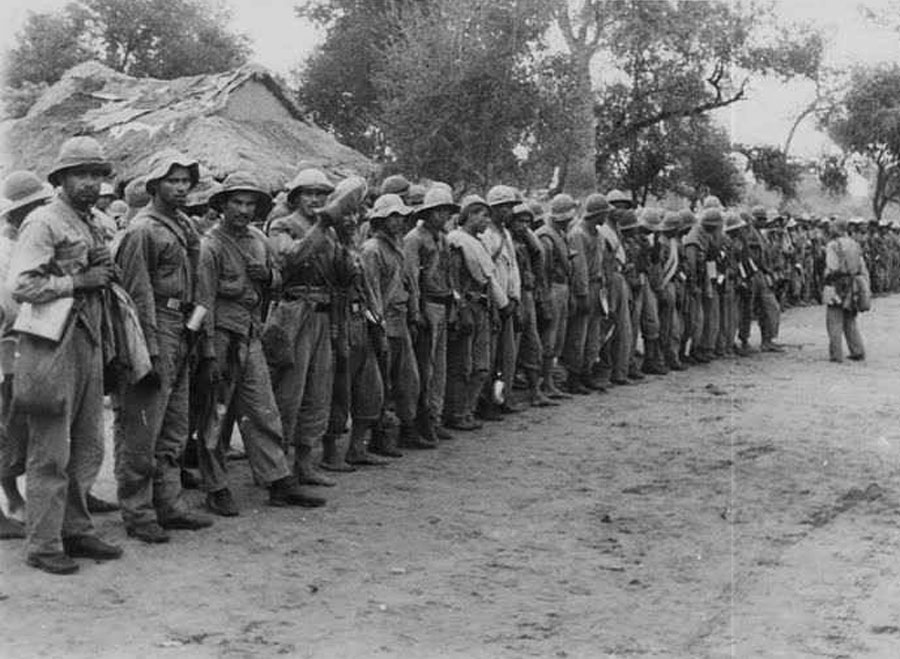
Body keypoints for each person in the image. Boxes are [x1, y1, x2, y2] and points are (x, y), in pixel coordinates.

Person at [9, 137, 122, 574]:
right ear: (61, 179)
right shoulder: (43, 222)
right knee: (50, 448)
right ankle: (43, 543)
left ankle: (76, 528)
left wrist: (97, 274)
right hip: (49, 343)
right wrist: (77, 281)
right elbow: (21, 286)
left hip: (88, 337)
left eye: (96, 174)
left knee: (89, 444)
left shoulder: (89, 220)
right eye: (81, 174)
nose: (91, 183)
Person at [194, 172, 325, 515]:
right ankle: (216, 486)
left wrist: (265, 275)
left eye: (250, 203)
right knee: (216, 415)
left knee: (264, 409)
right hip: (221, 336)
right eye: (236, 202)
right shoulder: (211, 246)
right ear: (222, 206)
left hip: (250, 334)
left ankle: (277, 478)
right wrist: (207, 350)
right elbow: (203, 301)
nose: (243, 209)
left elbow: (279, 277)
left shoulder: (257, 239)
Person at [114, 151, 214, 541]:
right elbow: (137, 294)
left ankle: (169, 504)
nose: (181, 187)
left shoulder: (184, 225)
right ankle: (138, 513)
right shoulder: (143, 230)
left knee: (174, 425)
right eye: (172, 181)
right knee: (141, 425)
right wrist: (149, 349)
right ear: (154, 186)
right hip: (154, 324)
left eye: (186, 181)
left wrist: (196, 330)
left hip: (181, 324)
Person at [266, 169, 361, 487]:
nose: (316, 199)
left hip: (325, 314)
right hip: (294, 312)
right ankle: (279, 467)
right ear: (295, 197)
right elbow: (288, 259)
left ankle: (305, 462)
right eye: (308, 193)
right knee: (289, 392)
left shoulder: (332, 232)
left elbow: (345, 274)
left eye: (322, 194)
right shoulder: (282, 225)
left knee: (319, 391)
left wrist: (347, 241)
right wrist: (322, 226)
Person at [0, 171, 56, 540]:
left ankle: (19, 498)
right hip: (9, 347)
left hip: (25, 345)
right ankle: (8, 502)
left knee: (21, 428)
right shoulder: (6, 251)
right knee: (6, 429)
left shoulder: (28, 244)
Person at [321, 183, 388, 469]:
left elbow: (366, 287)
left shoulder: (355, 245)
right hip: (340, 321)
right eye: (346, 215)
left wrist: (376, 318)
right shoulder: (330, 245)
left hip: (362, 320)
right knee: (339, 389)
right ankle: (330, 453)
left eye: (356, 215)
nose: (352, 220)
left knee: (369, 387)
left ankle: (357, 448)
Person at [362, 194, 428, 451]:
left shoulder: (397, 248)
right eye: (393, 217)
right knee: (381, 383)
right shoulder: (372, 250)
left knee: (408, 380)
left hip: (400, 319)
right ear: (380, 219)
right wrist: (378, 325)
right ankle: (380, 435)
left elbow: (408, 285)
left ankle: (404, 428)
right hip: (384, 322)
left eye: (401, 217)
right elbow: (371, 291)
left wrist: (412, 313)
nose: (399, 222)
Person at [445, 195, 507, 430]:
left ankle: (468, 410)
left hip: (483, 306)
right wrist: (461, 309)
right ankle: (457, 413)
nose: (486, 220)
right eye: (482, 214)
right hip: (467, 307)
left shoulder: (478, 243)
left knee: (482, 365)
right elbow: (454, 280)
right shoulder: (457, 241)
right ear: (469, 215)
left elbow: (488, 280)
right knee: (462, 364)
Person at [404, 186, 459, 441]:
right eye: (438, 211)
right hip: (426, 304)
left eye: (446, 211)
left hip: (442, 303)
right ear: (426, 212)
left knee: (439, 367)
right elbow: (412, 277)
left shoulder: (443, 238)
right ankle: (419, 422)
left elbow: (449, 274)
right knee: (424, 369)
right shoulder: (415, 239)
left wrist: (453, 306)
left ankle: (434, 417)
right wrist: (416, 312)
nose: (442, 216)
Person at [480, 185, 523, 414]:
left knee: (507, 355)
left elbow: (513, 267)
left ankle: (503, 398)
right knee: (490, 354)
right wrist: (501, 302)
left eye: (510, 207)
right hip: (494, 302)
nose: (507, 211)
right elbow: (487, 272)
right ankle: (487, 402)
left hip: (508, 300)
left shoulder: (506, 234)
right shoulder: (486, 235)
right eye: (503, 207)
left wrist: (514, 296)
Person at [509, 203, 556, 407]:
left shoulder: (529, 242)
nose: (524, 226)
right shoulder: (506, 240)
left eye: (528, 222)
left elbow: (539, 258)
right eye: (520, 221)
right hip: (513, 295)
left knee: (532, 344)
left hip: (528, 294)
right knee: (511, 348)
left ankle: (535, 390)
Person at [563, 193, 608, 393]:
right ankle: (573, 377)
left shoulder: (597, 234)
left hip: (597, 286)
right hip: (586, 286)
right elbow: (579, 267)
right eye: (604, 213)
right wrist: (581, 294)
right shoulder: (578, 234)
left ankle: (586, 372)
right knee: (578, 335)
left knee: (593, 334)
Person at [534, 194, 575, 399]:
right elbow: (544, 272)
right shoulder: (546, 236)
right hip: (552, 289)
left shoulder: (560, 233)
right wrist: (545, 299)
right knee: (548, 340)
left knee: (558, 339)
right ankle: (543, 383)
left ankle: (549, 382)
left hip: (562, 288)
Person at [823, 217, 867, 362]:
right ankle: (857, 351)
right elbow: (861, 266)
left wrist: (826, 280)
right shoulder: (855, 244)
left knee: (834, 319)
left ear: (837, 228)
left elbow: (833, 267)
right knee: (850, 319)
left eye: (832, 226)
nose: (830, 229)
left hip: (837, 284)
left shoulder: (833, 245)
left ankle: (836, 355)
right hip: (853, 283)